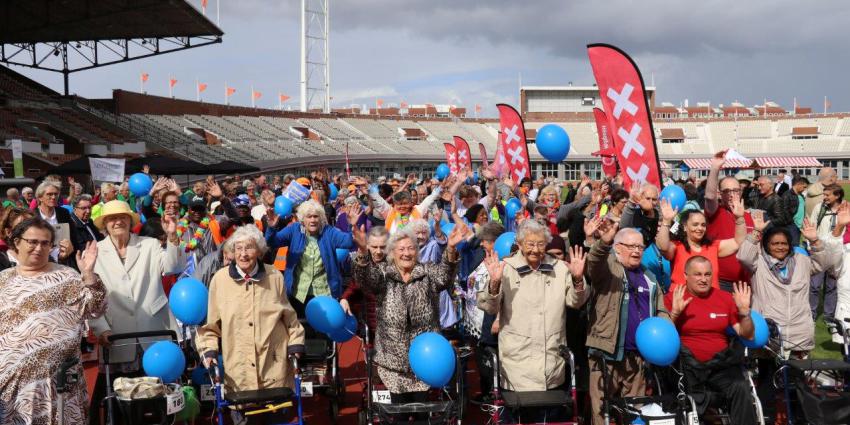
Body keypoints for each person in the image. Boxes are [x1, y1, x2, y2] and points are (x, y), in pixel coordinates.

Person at [477, 220, 588, 422]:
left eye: (540, 244)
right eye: (530, 244)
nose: (535, 250)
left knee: (550, 419)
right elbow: (489, 307)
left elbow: (575, 301)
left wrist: (578, 279)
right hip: (516, 365)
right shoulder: (506, 268)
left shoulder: (559, 268)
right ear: (519, 244)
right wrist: (494, 283)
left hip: (551, 362)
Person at [87, 200, 187, 424]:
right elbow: (90, 294)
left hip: (154, 332)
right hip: (117, 336)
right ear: (104, 224)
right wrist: (101, 328)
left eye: (122, 217)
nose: (117, 222)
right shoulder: (96, 250)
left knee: (159, 399)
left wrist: (172, 237)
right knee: (123, 400)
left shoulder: (150, 244)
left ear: (130, 221)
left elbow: (173, 266)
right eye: (112, 219)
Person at [737, 211, 842, 424]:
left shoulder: (802, 259)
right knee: (767, 381)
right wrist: (756, 231)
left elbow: (826, 262)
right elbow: (743, 255)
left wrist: (814, 240)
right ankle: (767, 417)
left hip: (798, 333)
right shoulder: (758, 263)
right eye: (775, 243)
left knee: (797, 384)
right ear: (766, 245)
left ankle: (800, 418)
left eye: (784, 243)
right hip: (769, 335)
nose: (780, 247)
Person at [0, 218, 105, 424]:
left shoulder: (67, 276)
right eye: (32, 241)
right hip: (13, 385)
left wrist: (89, 275)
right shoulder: (3, 280)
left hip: (60, 382)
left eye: (45, 243)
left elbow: (96, 309)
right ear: (17, 242)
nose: (38, 248)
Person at [197, 226, 305, 425]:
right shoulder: (220, 280)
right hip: (239, 370)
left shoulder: (274, 277)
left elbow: (290, 318)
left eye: (249, 248)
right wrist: (208, 351)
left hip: (273, 364)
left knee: (277, 418)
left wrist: (296, 343)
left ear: (259, 251)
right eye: (238, 248)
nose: (243, 254)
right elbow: (210, 326)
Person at [351, 223, 467, 404]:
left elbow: (445, 276)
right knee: (398, 415)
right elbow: (366, 280)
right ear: (392, 253)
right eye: (401, 249)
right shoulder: (383, 274)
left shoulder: (427, 272)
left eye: (411, 248)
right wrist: (362, 251)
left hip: (425, 360)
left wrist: (451, 249)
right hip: (392, 362)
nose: (406, 253)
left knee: (423, 412)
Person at [584, 219, 671, 425]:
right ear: (618, 248)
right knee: (602, 413)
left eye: (640, 246)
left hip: (638, 359)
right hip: (606, 354)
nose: (637, 251)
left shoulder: (649, 277)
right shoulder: (608, 269)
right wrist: (603, 243)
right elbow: (593, 263)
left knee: (634, 414)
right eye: (631, 246)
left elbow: (661, 310)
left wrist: (667, 332)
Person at [664, 256, 757, 422]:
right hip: (687, 367)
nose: (703, 279)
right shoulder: (674, 297)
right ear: (686, 275)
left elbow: (747, 334)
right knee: (687, 393)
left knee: (741, 386)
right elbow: (664, 339)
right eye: (697, 274)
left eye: (707, 274)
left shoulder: (725, 298)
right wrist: (675, 314)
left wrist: (744, 312)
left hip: (720, 366)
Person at [265, 199, 358, 316]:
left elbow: (349, 242)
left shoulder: (328, 232)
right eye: (309, 217)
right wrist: (271, 227)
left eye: (316, 216)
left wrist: (353, 225)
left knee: (323, 331)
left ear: (321, 218)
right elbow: (272, 242)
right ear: (302, 219)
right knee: (300, 330)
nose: (313, 220)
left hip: (325, 294)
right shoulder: (295, 230)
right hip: (298, 294)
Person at [656, 197, 746, 291]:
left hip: (711, 302)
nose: (700, 228)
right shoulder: (677, 246)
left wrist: (739, 218)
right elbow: (663, 246)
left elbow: (738, 242)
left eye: (703, 225)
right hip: (682, 302)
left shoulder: (712, 246)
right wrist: (666, 221)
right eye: (695, 224)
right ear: (685, 227)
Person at [704, 151, 754, 291]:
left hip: (748, 281)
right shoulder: (716, 212)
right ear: (720, 194)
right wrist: (715, 168)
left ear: (741, 192)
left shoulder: (750, 217)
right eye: (727, 191)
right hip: (722, 281)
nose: (732, 194)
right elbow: (709, 196)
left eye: (736, 190)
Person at [340, 226, 388, 332]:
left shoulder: (396, 265)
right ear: (367, 246)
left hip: (391, 328)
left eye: (383, 247)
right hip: (369, 326)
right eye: (374, 247)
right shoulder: (362, 264)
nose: (379, 251)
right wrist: (344, 299)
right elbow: (353, 286)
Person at [809, 184, 845, 320]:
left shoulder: (846, 209)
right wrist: (810, 244)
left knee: (832, 286)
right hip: (819, 251)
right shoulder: (819, 208)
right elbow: (812, 225)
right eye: (823, 194)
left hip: (838, 252)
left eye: (827, 195)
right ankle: (811, 314)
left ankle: (829, 315)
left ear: (837, 195)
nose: (824, 198)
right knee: (814, 285)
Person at [34, 180, 75, 264]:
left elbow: (73, 236)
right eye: (49, 194)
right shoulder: (32, 216)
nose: (53, 197)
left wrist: (70, 247)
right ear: (40, 197)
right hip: (41, 261)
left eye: (56, 194)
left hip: (65, 260)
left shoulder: (64, 213)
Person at [780, 176, 809, 246]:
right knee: (793, 245)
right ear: (798, 184)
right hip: (792, 225)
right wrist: (791, 222)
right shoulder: (787, 195)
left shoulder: (801, 195)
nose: (804, 189)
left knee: (797, 244)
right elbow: (784, 210)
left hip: (800, 225)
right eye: (804, 187)